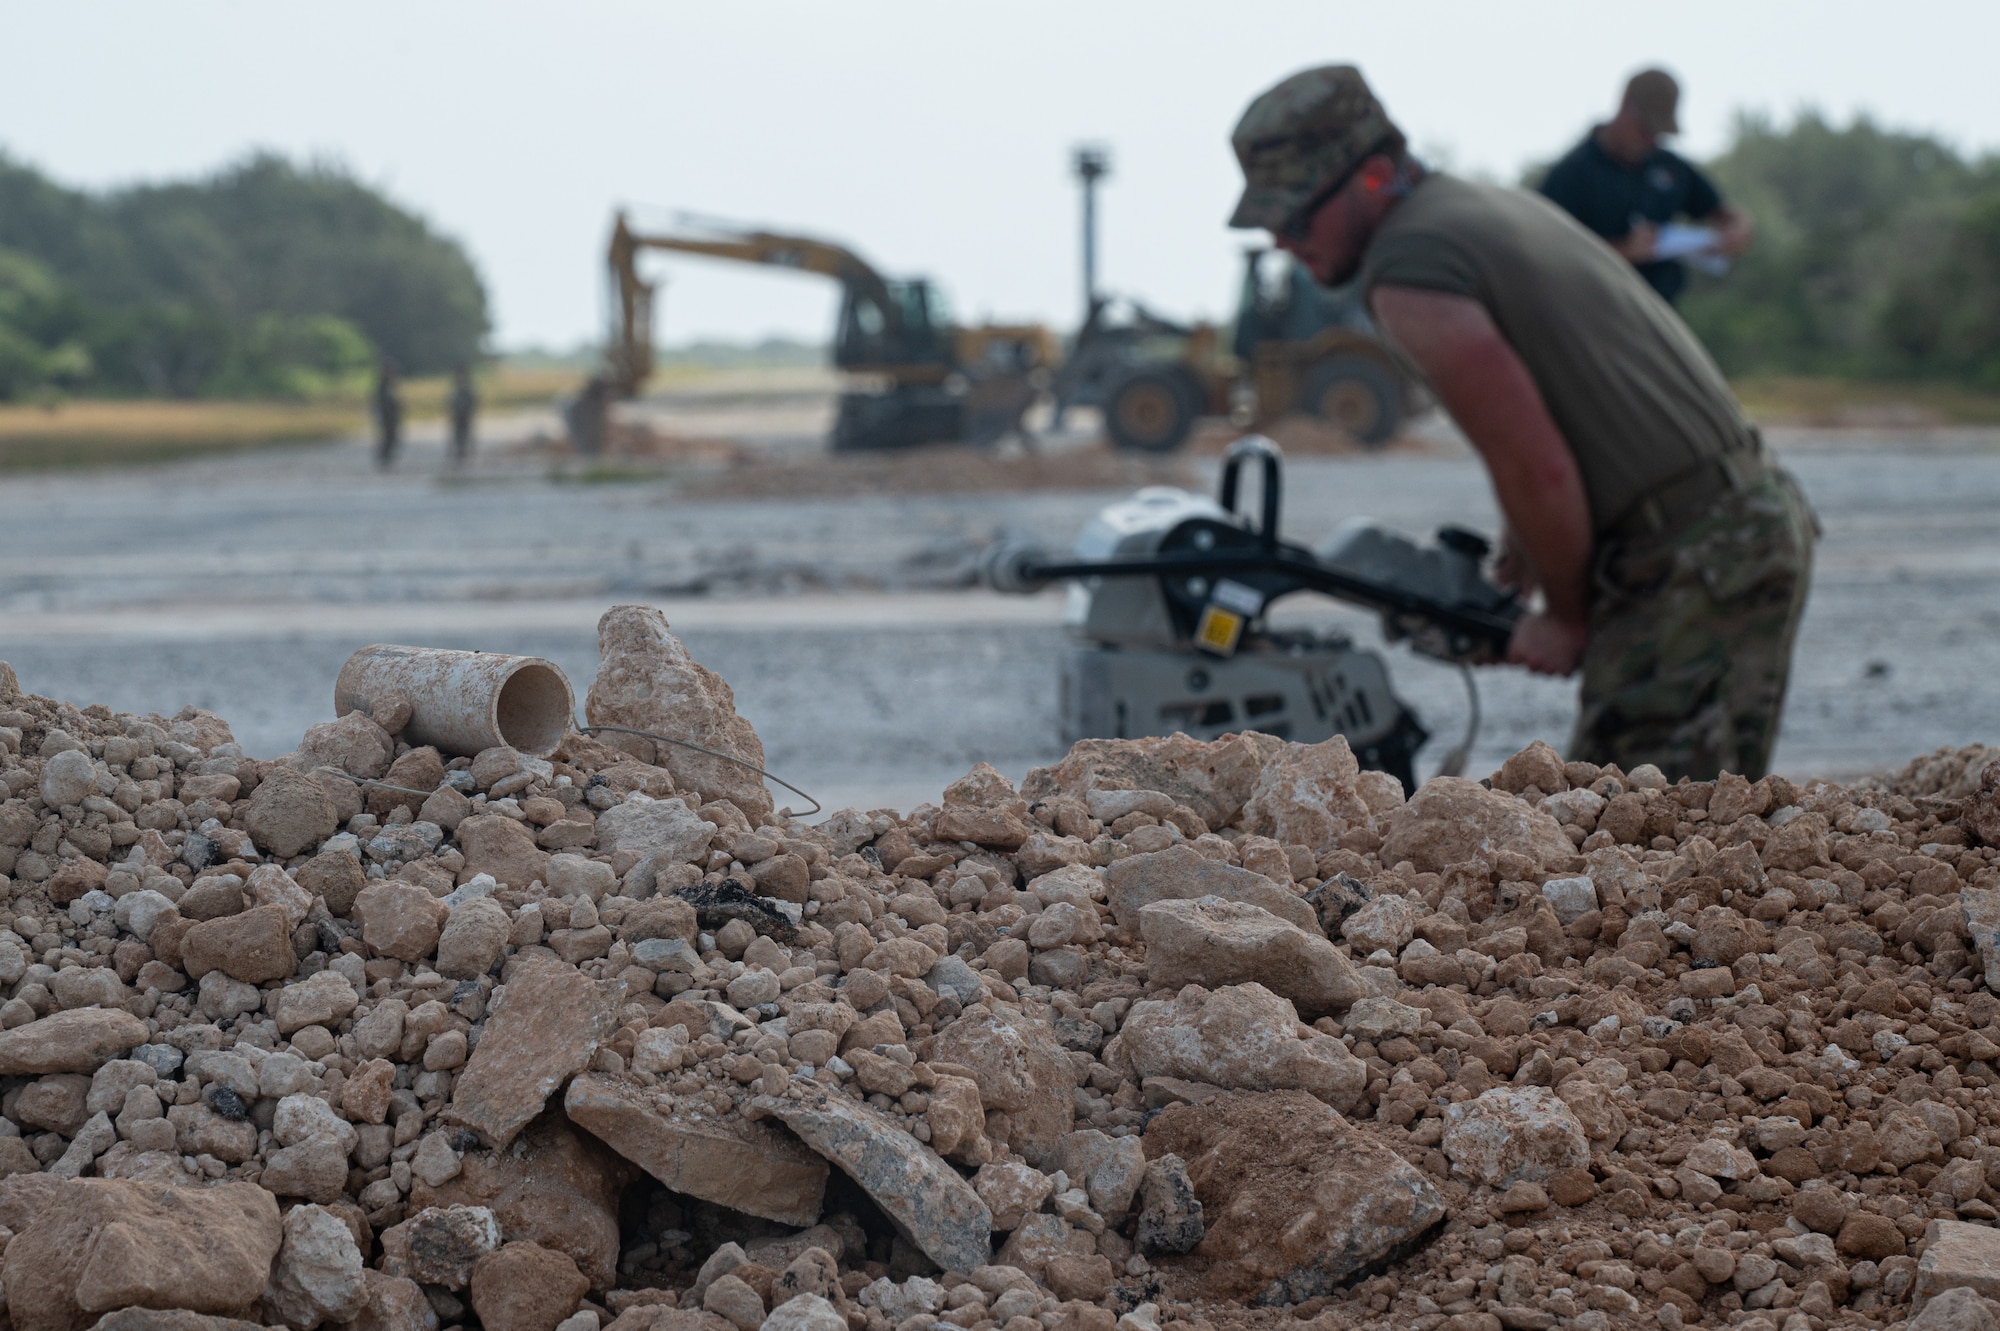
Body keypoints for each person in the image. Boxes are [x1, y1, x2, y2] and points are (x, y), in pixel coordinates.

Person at [1226, 65, 1814, 781]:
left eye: (1295, 215)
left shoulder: (1410, 269)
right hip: (1729, 528)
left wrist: (1562, 617)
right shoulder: (1479, 208)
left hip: (1697, 552)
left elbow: (1535, 465)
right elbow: (1559, 408)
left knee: (1644, 844)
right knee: (1674, 831)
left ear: (1374, 176)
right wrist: (1531, 545)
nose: (1285, 241)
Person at [1538, 68, 1751, 304]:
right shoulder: (1571, 173)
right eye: (1646, 128)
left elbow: (1725, 212)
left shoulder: (1671, 166)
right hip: (1593, 313)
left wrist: (1736, 230)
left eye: (1659, 132)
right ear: (1625, 107)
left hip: (1661, 311)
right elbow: (1545, 254)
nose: (1652, 139)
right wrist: (1623, 251)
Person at [371, 359, 403, 469]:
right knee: (388, 437)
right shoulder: (382, 386)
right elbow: (379, 402)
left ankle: (386, 459)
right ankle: (384, 459)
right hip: (386, 416)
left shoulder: (390, 385)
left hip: (391, 416)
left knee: (392, 438)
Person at [448, 364, 477, 465]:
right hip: (458, 414)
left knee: (464, 435)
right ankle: (460, 454)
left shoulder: (466, 387)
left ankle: (463, 454)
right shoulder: (457, 385)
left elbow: (472, 400)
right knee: (458, 435)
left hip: (464, 414)